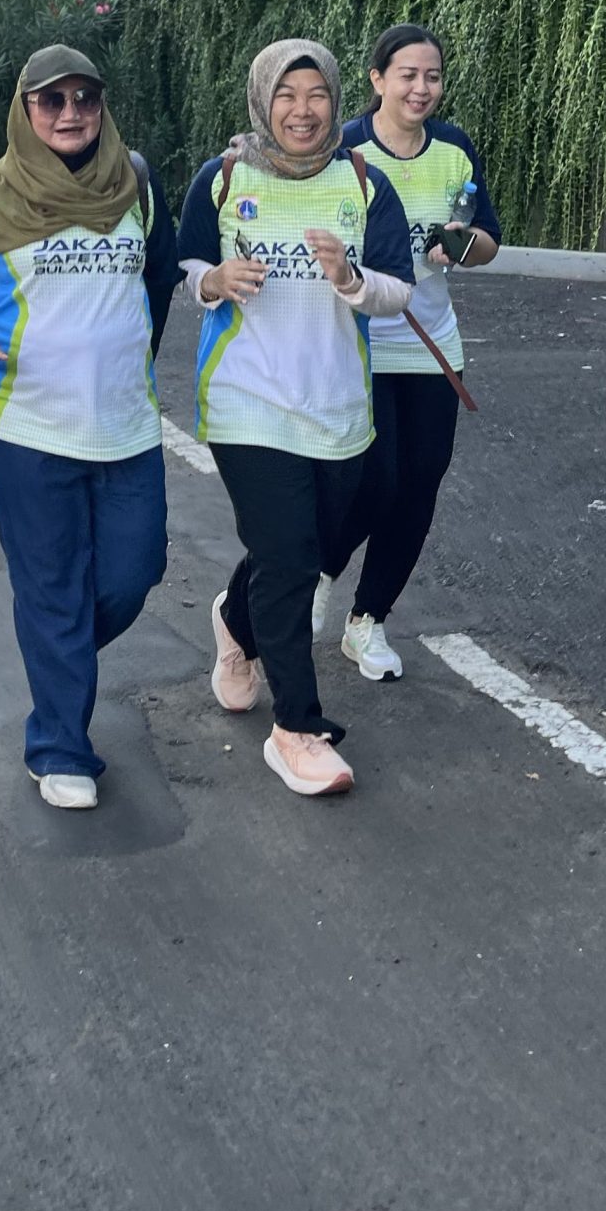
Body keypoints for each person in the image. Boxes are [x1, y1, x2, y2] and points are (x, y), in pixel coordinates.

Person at [0, 46, 179, 813]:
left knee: (134, 572)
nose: (70, 115)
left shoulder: (138, 185)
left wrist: (131, 356)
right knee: (53, 588)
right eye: (51, 101)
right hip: (30, 430)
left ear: (102, 105)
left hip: (127, 429)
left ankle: (54, 652)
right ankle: (59, 744)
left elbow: (159, 280)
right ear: (25, 111)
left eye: (85, 99)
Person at [178, 39, 412, 799]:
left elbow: (398, 291)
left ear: (336, 102)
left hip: (338, 403)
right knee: (285, 558)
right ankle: (298, 731)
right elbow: (181, 267)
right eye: (287, 94)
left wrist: (350, 276)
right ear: (261, 100)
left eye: (315, 94)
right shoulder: (221, 179)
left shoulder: (363, 181)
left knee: (307, 551)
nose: (302, 110)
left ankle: (236, 624)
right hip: (247, 402)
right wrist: (213, 278)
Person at [332, 23, 501, 679]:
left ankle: (368, 620)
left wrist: (460, 243)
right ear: (377, 80)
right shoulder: (344, 147)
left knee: (419, 483)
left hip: (432, 349)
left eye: (431, 76)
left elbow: (486, 237)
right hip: (360, 343)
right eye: (407, 75)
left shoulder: (454, 149)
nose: (420, 88)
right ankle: (314, 574)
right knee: (373, 481)